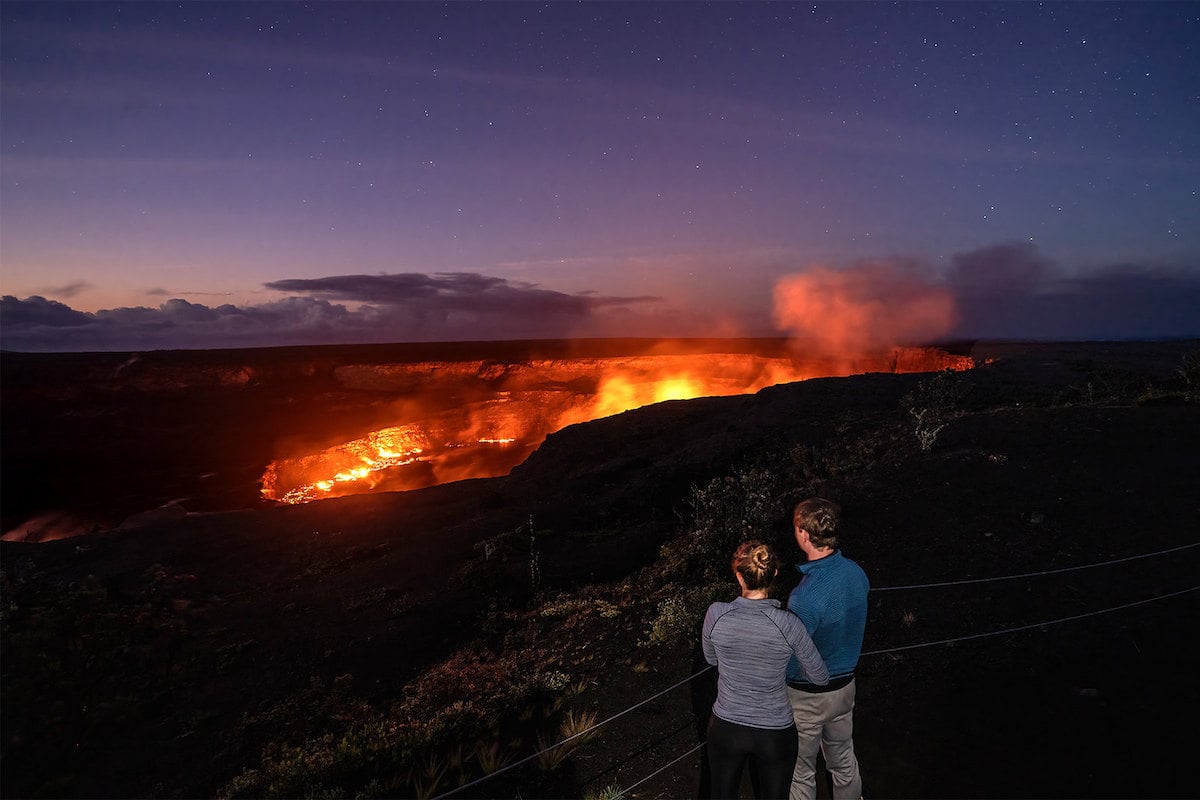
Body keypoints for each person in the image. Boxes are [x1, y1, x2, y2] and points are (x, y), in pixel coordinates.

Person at [703, 540, 829, 800]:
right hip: (774, 732)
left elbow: (711, 658)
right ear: (774, 574)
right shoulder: (788, 624)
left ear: (739, 576)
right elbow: (820, 676)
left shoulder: (716, 614)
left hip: (726, 727)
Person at [785, 498, 870, 800]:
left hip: (806, 696)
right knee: (844, 762)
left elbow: (792, 654)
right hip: (845, 688)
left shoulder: (804, 596)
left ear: (804, 535)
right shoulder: (856, 573)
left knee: (801, 771)